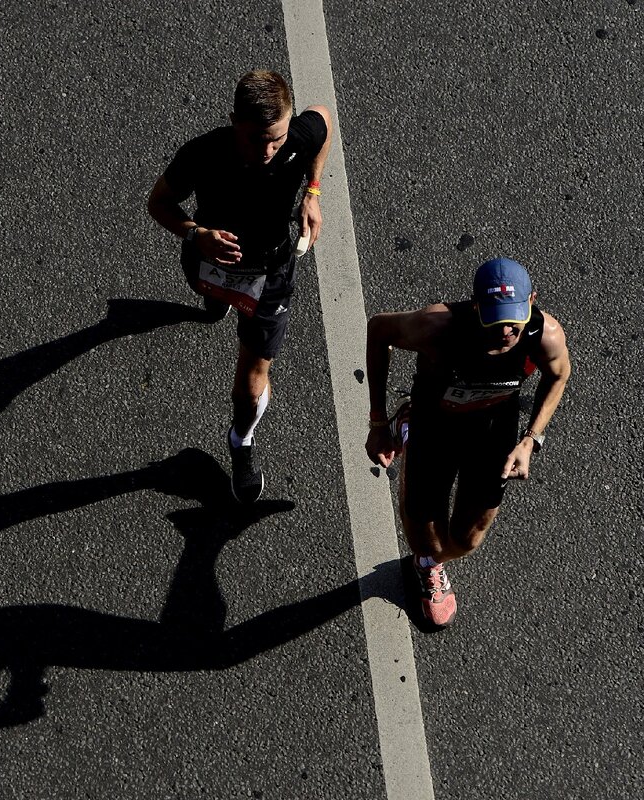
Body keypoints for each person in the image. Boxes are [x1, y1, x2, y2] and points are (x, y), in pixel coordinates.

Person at [147, 70, 332, 503]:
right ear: (234, 122)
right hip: (209, 264)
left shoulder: (296, 139)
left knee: (251, 383)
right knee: (211, 302)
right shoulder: (202, 153)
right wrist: (196, 234)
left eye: (276, 140)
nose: (267, 151)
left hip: (270, 274)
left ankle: (241, 439)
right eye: (255, 140)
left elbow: (324, 118)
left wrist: (313, 191)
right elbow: (158, 203)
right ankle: (216, 303)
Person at [365, 258, 571, 627]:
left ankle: (432, 558)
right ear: (476, 306)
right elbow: (379, 330)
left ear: (531, 301)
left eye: (514, 318)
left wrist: (530, 439)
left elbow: (559, 375)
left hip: (493, 429)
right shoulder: (437, 326)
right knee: (427, 542)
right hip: (435, 426)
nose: (505, 330)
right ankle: (426, 564)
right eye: (494, 318)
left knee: (467, 539)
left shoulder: (545, 334)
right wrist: (378, 422)